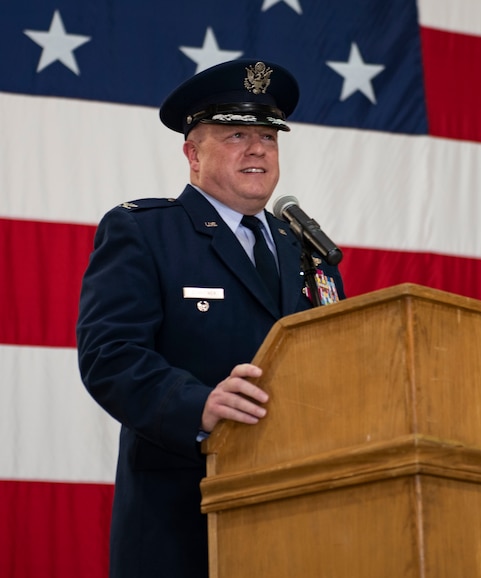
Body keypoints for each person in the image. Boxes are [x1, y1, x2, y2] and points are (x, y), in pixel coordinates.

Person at [76, 58, 346, 578]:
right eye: (235, 134)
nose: (258, 149)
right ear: (191, 154)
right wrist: (199, 405)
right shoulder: (146, 232)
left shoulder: (304, 249)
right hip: (181, 516)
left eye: (269, 136)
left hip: (299, 516)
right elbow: (110, 356)